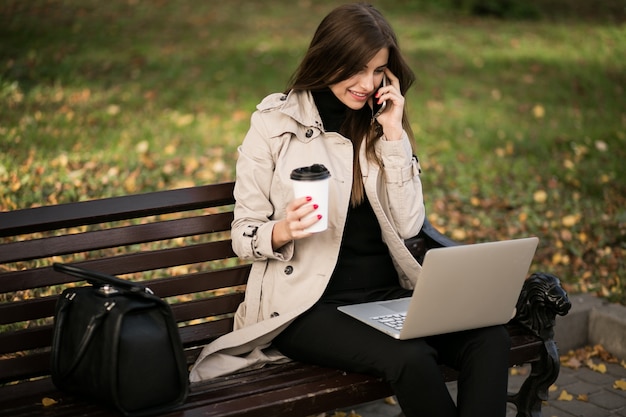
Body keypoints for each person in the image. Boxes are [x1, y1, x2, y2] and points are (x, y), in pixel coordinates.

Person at [190, 4, 511, 416]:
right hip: (308, 308)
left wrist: (394, 135)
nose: (367, 83)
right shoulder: (273, 125)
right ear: (327, 58)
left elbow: (410, 224)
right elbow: (243, 234)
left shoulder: (380, 125)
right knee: (410, 358)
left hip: (386, 297)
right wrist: (283, 230)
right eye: (356, 69)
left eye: (378, 71)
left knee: (489, 338)